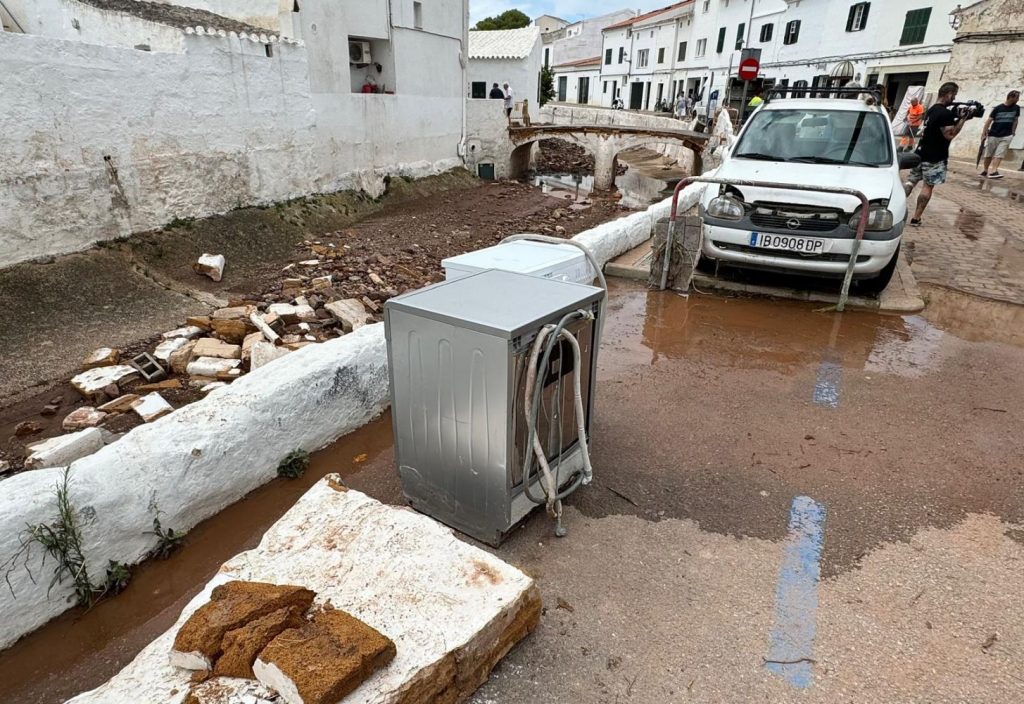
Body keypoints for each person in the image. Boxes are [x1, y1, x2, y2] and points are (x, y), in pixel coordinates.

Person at [905, 82, 972, 226]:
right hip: (935, 157)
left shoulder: (931, 110)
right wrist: (962, 121)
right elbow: (950, 134)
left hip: (920, 153)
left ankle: (894, 207)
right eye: (953, 95)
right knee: (927, 186)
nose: (954, 99)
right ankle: (916, 218)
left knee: (911, 181)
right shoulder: (944, 114)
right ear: (948, 94)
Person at [980, 89, 1020, 179]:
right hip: (994, 134)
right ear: (1011, 97)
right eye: (1017, 98)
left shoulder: (1016, 108)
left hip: (1007, 135)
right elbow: (989, 121)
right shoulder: (998, 108)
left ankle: (994, 171)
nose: (1018, 100)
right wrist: (984, 133)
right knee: (989, 154)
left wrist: (1013, 132)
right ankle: (985, 170)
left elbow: (1015, 120)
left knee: (999, 154)